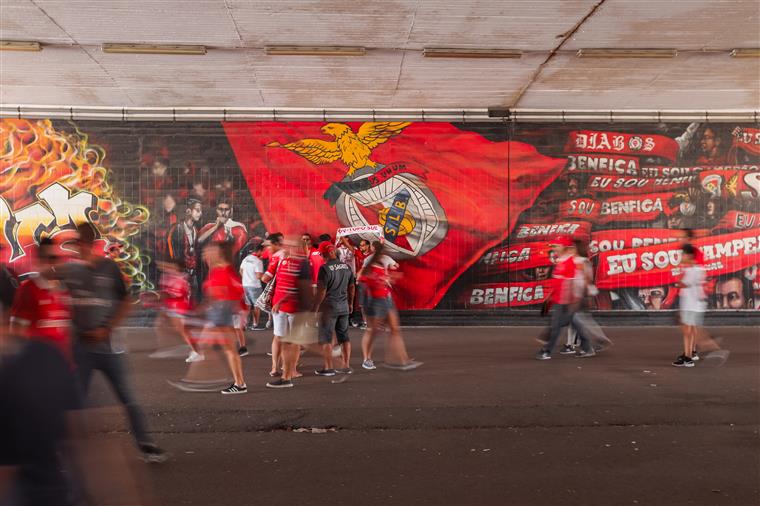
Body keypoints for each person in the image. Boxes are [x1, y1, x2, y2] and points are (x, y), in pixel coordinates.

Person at [63, 223, 167, 462]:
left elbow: (126, 301)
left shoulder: (109, 268)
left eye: (86, 242)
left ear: (91, 244)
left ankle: (146, 443)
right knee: (75, 400)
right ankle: (70, 451)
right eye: (79, 242)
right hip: (81, 348)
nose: (82, 247)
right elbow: (61, 301)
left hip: (109, 348)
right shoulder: (70, 272)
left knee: (127, 397)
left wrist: (107, 328)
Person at [358, 241, 421, 371]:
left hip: (386, 298)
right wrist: (364, 304)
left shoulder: (383, 260)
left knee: (394, 329)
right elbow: (361, 279)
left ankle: (400, 360)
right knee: (372, 331)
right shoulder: (369, 263)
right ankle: (366, 359)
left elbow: (384, 276)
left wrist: (388, 278)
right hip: (375, 301)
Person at [199, 241, 247, 393]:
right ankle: (238, 383)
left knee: (228, 349)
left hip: (223, 311)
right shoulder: (215, 269)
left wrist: (240, 310)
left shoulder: (225, 270)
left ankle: (239, 384)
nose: (205, 255)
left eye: (208, 252)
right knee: (222, 349)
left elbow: (237, 290)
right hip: (218, 311)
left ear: (218, 253)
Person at [265, 238, 314, 389]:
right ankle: (284, 371)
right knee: (286, 340)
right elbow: (277, 281)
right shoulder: (285, 261)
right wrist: (272, 295)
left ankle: (288, 372)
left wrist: (278, 300)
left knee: (290, 341)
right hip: (283, 306)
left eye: (291, 245)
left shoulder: (300, 263)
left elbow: (295, 287)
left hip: (293, 307)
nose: (287, 247)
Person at [535, 236, 593, 360]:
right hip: (560, 299)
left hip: (566, 300)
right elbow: (557, 283)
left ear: (564, 247)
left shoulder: (571, 262)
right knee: (575, 323)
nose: (554, 249)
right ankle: (587, 347)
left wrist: (573, 301)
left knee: (556, 325)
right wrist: (549, 298)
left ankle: (546, 351)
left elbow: (574, 283)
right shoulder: (561, 261)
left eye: (556, 246)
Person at [313, 241, 355, 375]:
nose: (322, 256)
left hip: (329, 308)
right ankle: (346, 366)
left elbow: (321, 292)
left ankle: (328, 368)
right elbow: (352, 287)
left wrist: (315, 308)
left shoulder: (324, 269)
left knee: (326, 338)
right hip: (343, 306)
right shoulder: (346, 267)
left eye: (322, 253)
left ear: (326, 253)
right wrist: (351, 303)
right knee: (344, 337)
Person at [157, 258, 201, 363]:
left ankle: (197, 352)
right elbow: (165, 292)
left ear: (177, 267)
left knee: (184, 331)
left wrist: (166, 295)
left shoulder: (182, 278)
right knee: (163, 326)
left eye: (171, 265)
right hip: (171, 307)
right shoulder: (166, 277)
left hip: (180, 308)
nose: (167, 267)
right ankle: (196, 348)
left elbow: (180, 293)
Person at [673, 244, 706, 367]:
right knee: (691, 330)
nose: (682, 256)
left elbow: (682, 284)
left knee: (687, 332)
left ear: (689, 255)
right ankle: (690, 354)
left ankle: (687, 358)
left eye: (683, 254)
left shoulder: (692, 271)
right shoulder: (699, 270)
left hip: (689, 304)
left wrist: (679, 280)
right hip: (695, 304)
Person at [261, 232, 287, 377]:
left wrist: (258, 275)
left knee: (279, 336)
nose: (268, 249)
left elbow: (266, 278)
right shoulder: (289, 255)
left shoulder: (277, 257)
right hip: (289, 300)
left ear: (277, 244)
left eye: (269, 246)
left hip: (279, 300)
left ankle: (275, 367)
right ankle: (287, 366)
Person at [240, 244, 265, 330]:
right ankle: (255, 324)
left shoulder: (246, 259)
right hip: (255, 286)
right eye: (262, 251)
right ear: (259, 251)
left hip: (245, 285)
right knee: (256, 306)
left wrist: (247, 278)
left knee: (247, 305)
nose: (263, 253)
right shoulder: (258, 261)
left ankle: (245, 324)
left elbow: (241, 271)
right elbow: (259, 276)